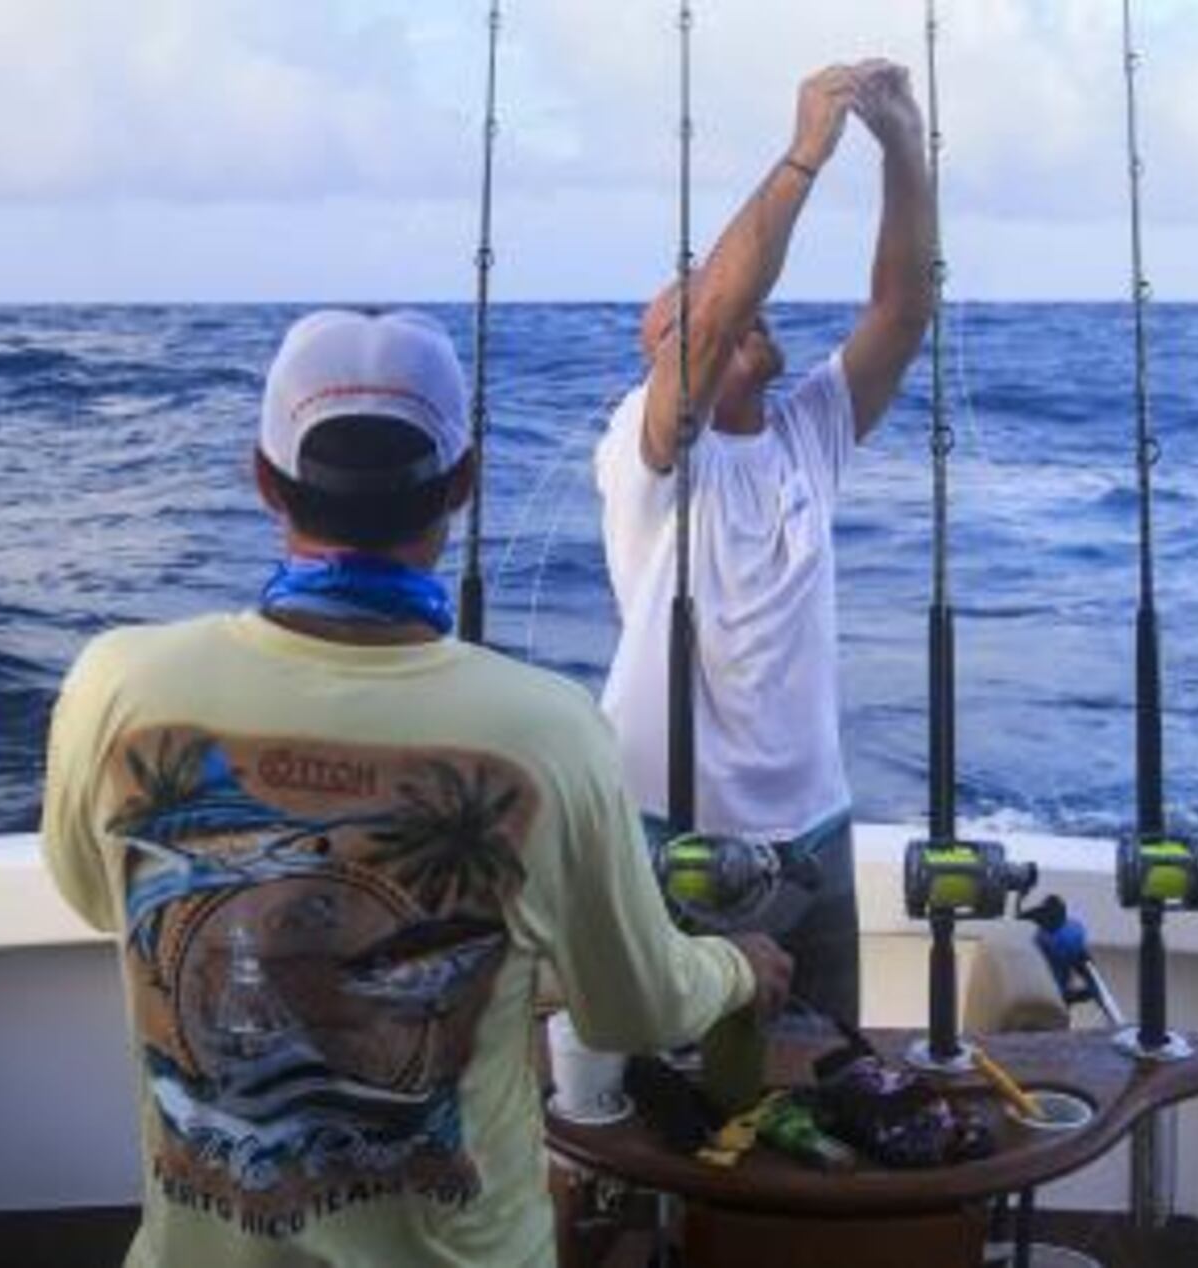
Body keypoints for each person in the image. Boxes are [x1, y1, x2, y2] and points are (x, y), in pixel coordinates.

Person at [41, 309, 791, 1268]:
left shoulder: (118, 685)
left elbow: (93, 890)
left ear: (265, 479)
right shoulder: (548, 732)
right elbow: (636, 1007)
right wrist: (736, 968)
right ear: (465, 484)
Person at [593, 60, 934, 1027]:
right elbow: (713, 319)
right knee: (677, 1092)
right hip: (670, 831)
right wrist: (802, 158)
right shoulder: (643, 445)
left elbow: (902, 313)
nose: (735, 311)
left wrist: (905, 147)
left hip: (814, 830)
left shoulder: (808, 431)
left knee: (821, 1080)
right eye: (700, 307)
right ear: (662, 348)